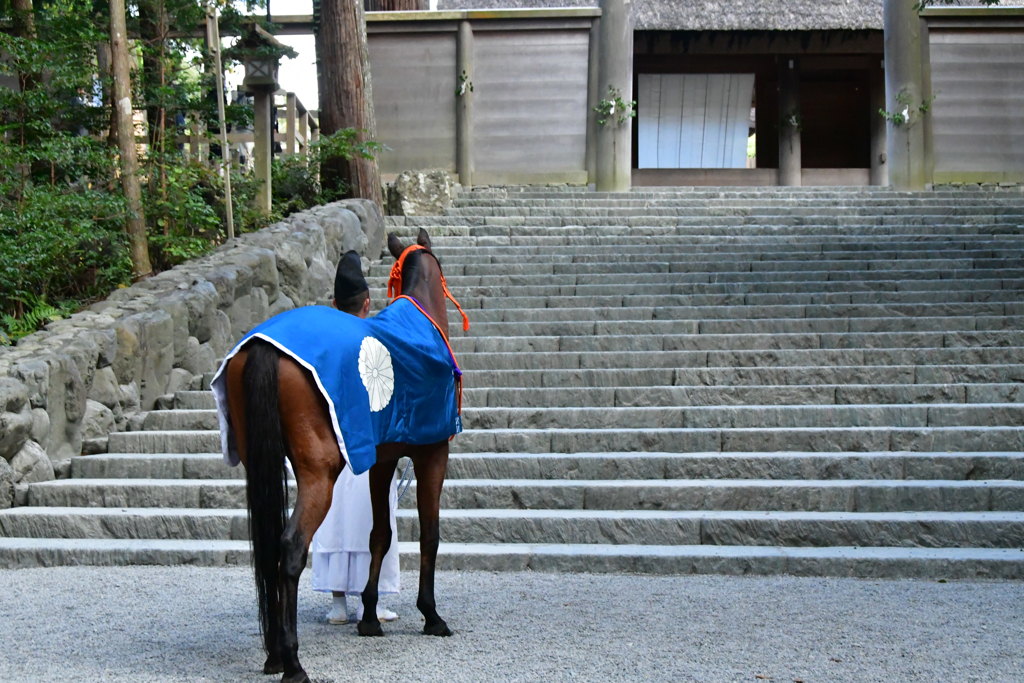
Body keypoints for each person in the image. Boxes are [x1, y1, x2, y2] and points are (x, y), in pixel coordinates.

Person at [310, 250, 400, 624]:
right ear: (368, 303)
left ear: (333, 304)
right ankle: (373, 599)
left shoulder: (320, 340)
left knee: (332, 515)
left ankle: (337, 603)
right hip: (369, 441)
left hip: (329, 441)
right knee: (371, 515)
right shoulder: (378, 338)